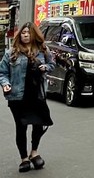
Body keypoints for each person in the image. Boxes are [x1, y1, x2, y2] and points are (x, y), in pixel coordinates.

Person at [0, 23, 55, 173]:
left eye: (28, 33)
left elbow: (52, 64)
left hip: (37, 96)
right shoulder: (11, 53)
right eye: (23, 33)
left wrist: (46, 68)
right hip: (18, 97)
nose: (25, 35)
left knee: (39, 124)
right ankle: (24, 158)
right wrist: (5, 84)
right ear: (19, 35)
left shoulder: (43, 51)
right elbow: (2, 72)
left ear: (34, 35)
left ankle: (34, 152)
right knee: (21, 126)